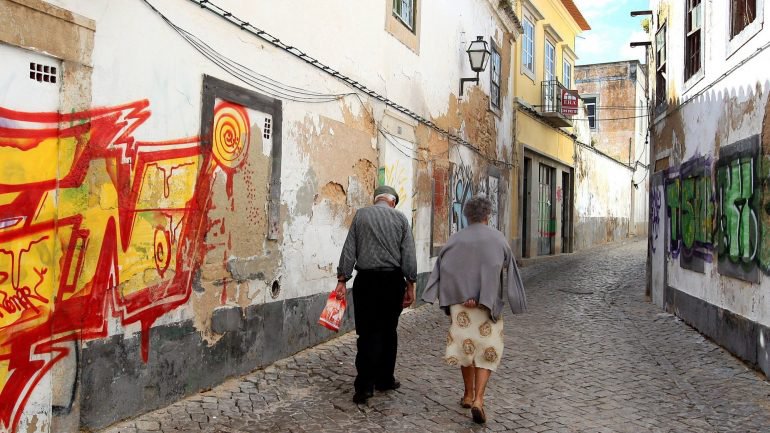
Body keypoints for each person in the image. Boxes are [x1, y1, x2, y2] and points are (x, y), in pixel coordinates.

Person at [422, 195, 527, 424]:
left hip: (461, 307)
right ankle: (479, 398)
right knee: (487, 351)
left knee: (466, 348)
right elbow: (506, 267)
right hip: (487, 306)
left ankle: (468, 395)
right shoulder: (498, 239)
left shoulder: (455, 239)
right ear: (488, 216)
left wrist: (459, 295)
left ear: (467, 216)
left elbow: (445, 268)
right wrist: (510, 298)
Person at [335, 185, 417, 404]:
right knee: (389, 331)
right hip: (392, 281)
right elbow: (408, 253)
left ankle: (364, 387)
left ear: (377, 200)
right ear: (393, 202)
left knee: (367, 332)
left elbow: (349, 248)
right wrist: (411, 284)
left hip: (366, 282)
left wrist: (342, 279)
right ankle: (385, 379)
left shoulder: (361, 216)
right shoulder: (400, 219)